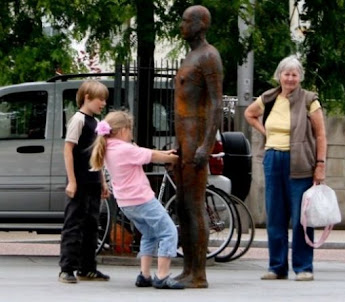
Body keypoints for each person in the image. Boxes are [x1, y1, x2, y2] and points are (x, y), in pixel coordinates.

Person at [244, 55, 327, 281]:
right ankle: (277, 266)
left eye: (294, 74)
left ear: (300, 77)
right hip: (273, 159)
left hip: (300, 161)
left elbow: (320, 134)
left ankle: (303, 267)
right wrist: (265, 133)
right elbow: (249, 113)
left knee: (302, 217)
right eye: (286, 74)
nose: (290, 78)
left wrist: (320, 165)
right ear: (279, 75)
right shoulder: (269, 98)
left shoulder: (310, 100)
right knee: (275, 215)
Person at [90, 111, 184, 290]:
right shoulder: (124, 149)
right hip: (142, 199)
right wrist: (173, 157)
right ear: (123, 130)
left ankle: (145, 275)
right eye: (130, 130)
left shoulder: (109, 147)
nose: (132, 133)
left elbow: (143, 152)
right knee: (169, 232)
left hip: (126, 203)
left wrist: (163, 152)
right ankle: (162, 276)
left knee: (149, 234)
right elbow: (151, 156)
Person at [173, 5, 223, 288]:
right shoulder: (190, 56)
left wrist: (207, 144)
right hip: (183, 139)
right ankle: (188, 267)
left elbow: (216, 103)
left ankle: (199, 274)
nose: (181, 25)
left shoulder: (209, 56)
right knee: (181, 206)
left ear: (200, 24)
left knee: (194, 206)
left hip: (196, 139)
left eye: (185, 21)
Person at [59, 79, 110, 283]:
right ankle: (67, 268)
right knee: (74, 224)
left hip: (93, 181)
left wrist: (103, 182)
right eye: (100, 99)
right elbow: (68, 150)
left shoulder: (97, 123)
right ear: (87, 98)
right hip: (79, 180)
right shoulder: (78, 120)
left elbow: (97, 155)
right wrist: (72, 181)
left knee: (92, 224)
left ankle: (87, 267)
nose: (103, 103)